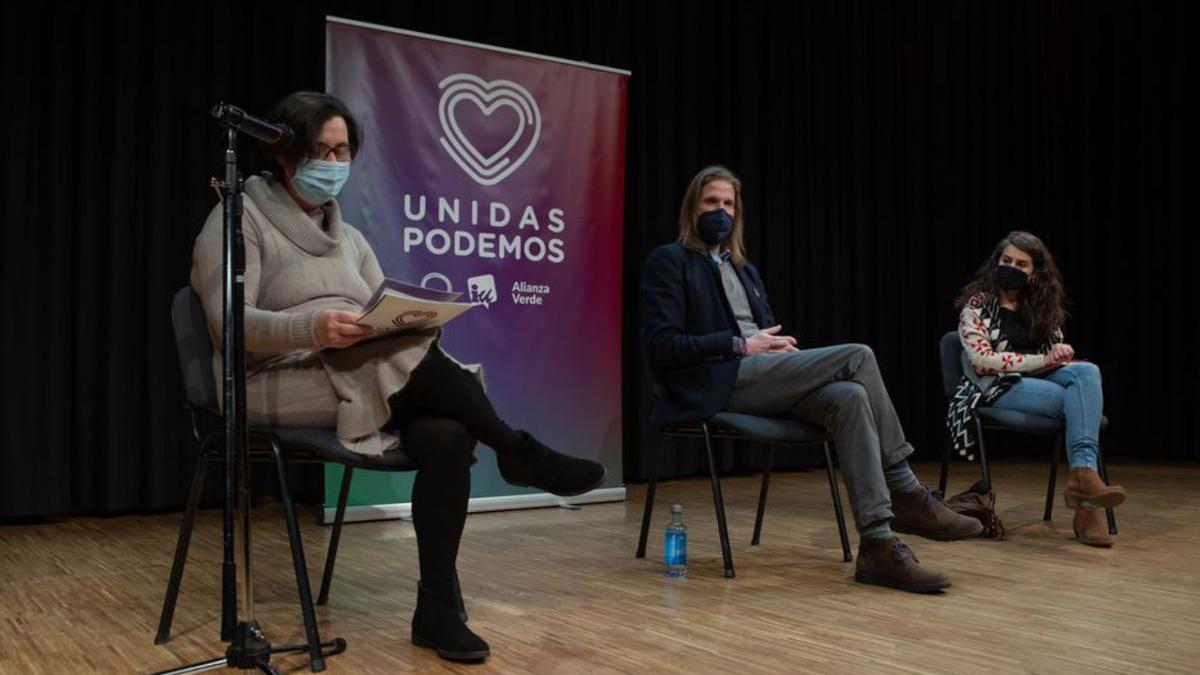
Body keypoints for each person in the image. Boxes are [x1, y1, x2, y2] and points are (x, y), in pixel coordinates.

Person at [190, 91, 605, 662]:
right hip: (269, 379)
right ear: (283, 153)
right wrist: (314, 328)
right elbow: (226, 325)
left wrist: (394, 322)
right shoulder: (240, 216)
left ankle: (436, 610)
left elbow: (380, 314)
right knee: (401, 362)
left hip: (355, 372)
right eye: (321, 150)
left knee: (446, 431)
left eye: (343, 151)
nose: (333, 164)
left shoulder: (353, 239)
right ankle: (514, 448)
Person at [641, 165, 982, 594]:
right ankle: (906, 490)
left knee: (850, 396)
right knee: (859, 355)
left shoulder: (745, 271)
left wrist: (782, 353)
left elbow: (767, 334)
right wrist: (739, 346)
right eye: (712, 202)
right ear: (692, 208)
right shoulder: (669, 261)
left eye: (729, 204)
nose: (721, 212)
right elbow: (662, 346)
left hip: (760, 378)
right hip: (713, 383)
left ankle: (877, 545)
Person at [949, 230, 1125, 547]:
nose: (1012, 267)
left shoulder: (1041, 307)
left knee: (1087, 372)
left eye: (1022, 264)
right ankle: (1087, 505)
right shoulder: (977, 305)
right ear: (995, 262)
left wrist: (1058, 354)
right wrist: (1041, 359)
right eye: (1006, 260)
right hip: (993, 387)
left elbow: (1050, 356)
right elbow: (982, 360)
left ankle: (1083, 478)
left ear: (1035, 272)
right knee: (1079, 405)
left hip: (1040, 379)